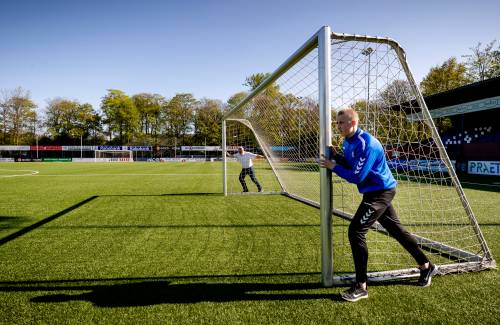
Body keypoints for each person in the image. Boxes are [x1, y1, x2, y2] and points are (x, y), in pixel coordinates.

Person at [319, 108, 438, 302]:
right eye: (337, 123)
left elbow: (357, 176)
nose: (338, 126)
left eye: (341, 123)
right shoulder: (348, 141)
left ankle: (361, 287)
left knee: (356, 231)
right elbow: (352, 164)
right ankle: (427, 266)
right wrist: (338, 157)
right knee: (397, 231)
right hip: (373, 192)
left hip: (380, 193)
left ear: (353, 123)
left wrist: (334, 166)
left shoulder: (367, 144)